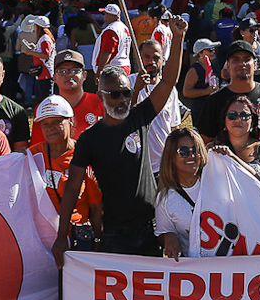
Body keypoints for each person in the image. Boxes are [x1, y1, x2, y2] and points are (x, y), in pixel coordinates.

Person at [52, 13, 188, 261]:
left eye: (126, 93)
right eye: (114, 94)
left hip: (150, 229)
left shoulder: (140, 117)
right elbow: (73, 188)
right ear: (101, 96)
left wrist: (177, 38)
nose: (122, 100)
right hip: (113, 233)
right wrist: (62, 235)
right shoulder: (89, 139)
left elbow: (169, 80)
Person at [32, 95, 103, 252]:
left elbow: (96, 207)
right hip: (41, 237)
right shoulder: (32, 156)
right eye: (45, 124)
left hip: (77, 240)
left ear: (70, 121)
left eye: (57, 121)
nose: (50, 128)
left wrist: (99, 240)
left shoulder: (85, 157)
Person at [194, 40, 260, 142]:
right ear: (227, 66)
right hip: (226, 156)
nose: (242, 63)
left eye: (246, 59)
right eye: (236, 60)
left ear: (255, 64)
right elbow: (205, 140)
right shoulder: (215, 100)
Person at [132, 38, 184, 175]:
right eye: (146, 57)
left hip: (163, 165)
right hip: (137, 165)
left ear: (163, 60)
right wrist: (136, 89)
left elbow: (174, 127)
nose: (151, 62)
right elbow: (123, 119)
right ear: (138, 58)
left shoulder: (170, 90)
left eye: (156, 57)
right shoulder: (127, 84)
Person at [155, 128, 208, 260]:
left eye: (196, 149)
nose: (191, 155)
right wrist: (169, 236)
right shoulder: (165, 199)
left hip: (230, 265)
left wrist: (230, 157)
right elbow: (162, 233)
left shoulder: (219, 182)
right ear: (171, 157)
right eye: (183, 152)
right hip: (197, 270)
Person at [211, 93, 260, 190]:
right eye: (232, 115)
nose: (238, 120)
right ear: (224, 120)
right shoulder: (212, 149)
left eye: (244, 116)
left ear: (252, 122)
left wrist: (232, 157)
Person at [181, 39, 219, 114]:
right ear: (200, 53)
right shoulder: (194, 70)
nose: (213, 52)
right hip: (200, 110)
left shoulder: (212, 67)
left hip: (212, 108)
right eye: (210, 50)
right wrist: (206, 91)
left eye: (213, 49)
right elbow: (186, 92)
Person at [92, 3, 132, 74]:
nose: (103, 16)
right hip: (123, 65)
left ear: (110, 15)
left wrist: (99, 71)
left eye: (105, 14)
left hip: (113, 69)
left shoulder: (111, 29)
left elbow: (107, 52)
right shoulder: (124, 27)